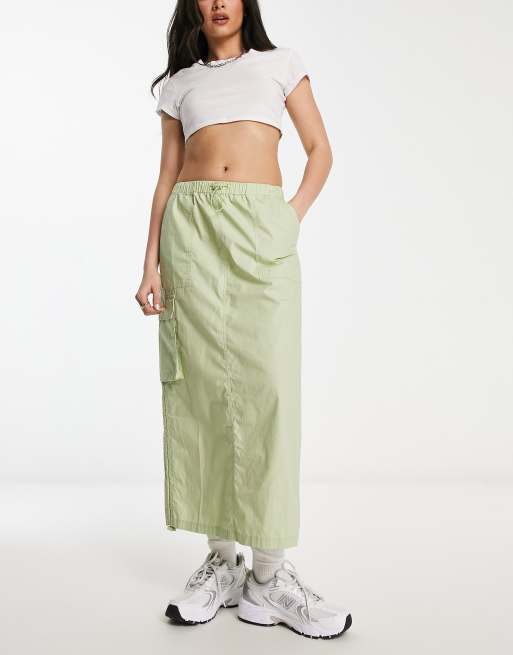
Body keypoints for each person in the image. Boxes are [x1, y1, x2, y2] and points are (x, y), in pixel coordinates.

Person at [135, 0, 352, 640]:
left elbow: (320, 150)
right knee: (202, 391)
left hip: (260, 231)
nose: (218, 2)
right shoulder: (179, 84)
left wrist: (288, 216)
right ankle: (223, 563)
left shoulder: (281, 64)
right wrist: (150, 264)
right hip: (191, 234)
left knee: (270, 392)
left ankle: (270, 576)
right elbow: (166, 177)